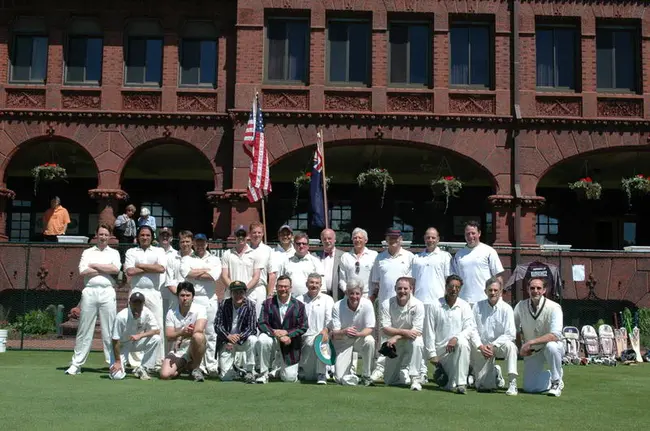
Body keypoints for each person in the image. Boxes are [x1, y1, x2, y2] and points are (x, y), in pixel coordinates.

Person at [65, 224, 121, 375]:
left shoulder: (114, 253)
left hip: (108, 292)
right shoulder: (87, 252)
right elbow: (83, 271)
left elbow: (115, 269)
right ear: (96, 235)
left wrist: (94, 265)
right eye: (100, 234)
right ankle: (76, 364)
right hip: (89, 292)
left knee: (109, 330)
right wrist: (105, 268)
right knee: (84, 329)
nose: (103, 237)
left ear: (109, 236)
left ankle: (112, 364)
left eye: (106, 235)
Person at [369, 228, 414, 382]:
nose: (393, 240)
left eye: (396, 238)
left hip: (403, 305)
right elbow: (375, 283)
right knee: (383, 337)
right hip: (385, 304)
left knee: (405, 337)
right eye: (390, 238)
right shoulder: (379, 258)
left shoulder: (409, 257)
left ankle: (406, 370)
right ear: (386, 239)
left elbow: (411, 283)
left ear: (401, 239)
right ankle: (380, 368)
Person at [423, 275, 477, 394]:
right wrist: (432, 355)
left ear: (460, 289)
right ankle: (466, 374)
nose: (454, 289)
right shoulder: (434, 305)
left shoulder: (465, 306)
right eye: (451, 286)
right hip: (441, 352)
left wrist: (456, 338)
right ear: (446, 287)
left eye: (457, 287)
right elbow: (429, 331)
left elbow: (469, 328)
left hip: (458, 348)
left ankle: (462, 384)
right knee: (448, 386)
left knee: (462, 341)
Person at [514, 278, 565, 397]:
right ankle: (552, 375)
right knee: (529, 388)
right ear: (527, 289)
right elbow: (514, 329)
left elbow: (555, 335)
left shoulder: (554, 307)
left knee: (551, 346)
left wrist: (530, 342)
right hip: (533, 351)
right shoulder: (520, 306)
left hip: (553, 347)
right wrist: (520, 347)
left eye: (538, 288)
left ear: (544, 290)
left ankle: (556, 382)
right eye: (532, 288)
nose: (535, 291)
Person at [180, 233, 221, 376]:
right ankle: (199, 364)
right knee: (196, 333)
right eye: (197, 242)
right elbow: (186, 273)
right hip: (194, 300)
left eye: (202, 242)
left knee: (211, 333)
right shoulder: (186, 259)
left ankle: (211, 365)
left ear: (207, 243)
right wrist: (205, 270)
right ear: (193, 244)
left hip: (209, 299)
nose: (200, 245)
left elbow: (213, 276)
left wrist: (195, 273)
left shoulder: (215, 259)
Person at [123, 225, 167, 363]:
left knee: (157, 325)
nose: (145, 237)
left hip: (154, 292)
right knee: (134, 324)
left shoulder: (159, 251)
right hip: (136, 290)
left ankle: (158, 360)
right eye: (142, 235)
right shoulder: (131, 251)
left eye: (147, 235)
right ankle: (135, 361)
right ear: (138, 237)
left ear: (152, 237)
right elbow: (129, 271)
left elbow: (161, 268)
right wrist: (150, 268)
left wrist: (140, 266)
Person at [256, 275, 308, 384]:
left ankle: (279, 370)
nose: (283, 289)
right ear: (276, 287)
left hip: (290, 342)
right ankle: (263, 373)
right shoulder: (267, 303)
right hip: (272, 337)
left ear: (290, 288)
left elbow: (303, 326)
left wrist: (288, 334)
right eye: (280, 286)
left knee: (289, 378)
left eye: (286, 286)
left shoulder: (299, 305)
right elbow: (261, 323)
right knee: (262, 339)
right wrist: (274, 332)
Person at [471, 277, 518, 395]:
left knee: (511, 346)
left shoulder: (507, 309)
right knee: (484, 387)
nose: (493, 293)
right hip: (483, 349)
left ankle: (512, 383)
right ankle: (496, 373)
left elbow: (510, 333)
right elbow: (472, 330)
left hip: (499, 346)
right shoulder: (477, 307)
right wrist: (481, 346)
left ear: (501, 291)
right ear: (485, 291)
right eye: (490, 290)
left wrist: (493, 345)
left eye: (495, 290)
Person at [379, 277, 425, 391]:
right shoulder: (386, 304)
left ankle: (416, 379)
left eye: (405, 288)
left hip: (410, 341)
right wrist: (403, 333)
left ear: (411, 289)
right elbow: (385, 328)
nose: (402, 291)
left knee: (417, 342)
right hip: (393, 344)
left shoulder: (418, 305)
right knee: (389, 381)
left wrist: (397, 336)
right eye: (399, 288)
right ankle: (404, 371)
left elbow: (416, 331)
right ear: (395, 289)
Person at [108, 292, 162, 380]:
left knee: (156, 339)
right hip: (121, 345)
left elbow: (157, 330)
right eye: (134, 303)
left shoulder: (147, 312)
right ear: (129, 303)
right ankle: (120, 365)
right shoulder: (121, 317)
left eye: (139, 304)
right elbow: (115, 340)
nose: (137, 306)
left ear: (143, 304)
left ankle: (144, 368)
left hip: (136, 342)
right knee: (117, 376)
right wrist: (118, 361)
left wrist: (141, 335)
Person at [160, 282, 208, 382]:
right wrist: (181, 332)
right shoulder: (171, 312)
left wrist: (180, 337)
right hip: (178, 350)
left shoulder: (201, 309)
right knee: (165, 375)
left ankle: (196, 368)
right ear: (177, 296)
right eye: (182, 295)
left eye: (188, 295)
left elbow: (198, 330)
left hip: (193, 347)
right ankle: (185, 366)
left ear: (193, 297)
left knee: (198, 336)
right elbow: (168, 336)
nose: (185, 298)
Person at [331, 280, 376, 386]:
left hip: (360, 338)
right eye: (351, 293)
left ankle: (366, 375)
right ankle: (350, 373)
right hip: (343, 340)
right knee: (339, 378)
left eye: (357, 294)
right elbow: (335, 333)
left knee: (370, 340)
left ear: (361, 294)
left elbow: (370, 328)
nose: (354, 296)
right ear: (346, 293)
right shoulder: (337, 306)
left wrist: (358, 334)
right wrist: (344, 331)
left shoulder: (367, 304)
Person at [452, 221, 504, 307]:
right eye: (467, 234)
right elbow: (456, 279)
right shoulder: (459, 255)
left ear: (479, 233)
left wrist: (500, 297)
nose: (470, 236)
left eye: (473, 233)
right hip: (464, 301)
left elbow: (498, 277)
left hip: (485, 300)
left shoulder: (489, 251)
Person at [214, 281, 258, 382]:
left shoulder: (250, 305)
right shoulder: (223, 304)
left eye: (240, 292)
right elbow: (217, 325)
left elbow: (252, 328)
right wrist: (228, 336)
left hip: (243, 340)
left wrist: (237, 337)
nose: (238, 295)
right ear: (231, 293)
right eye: (235, 292)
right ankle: (237, 370)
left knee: (253, 339)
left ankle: (250, 371)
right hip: (227, 342)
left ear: (244, 293)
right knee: (226, 378)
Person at [298, 273, 334, 384]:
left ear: (321, 285)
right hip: (303, 337)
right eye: (311, 282)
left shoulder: (327, 299)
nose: (314, 285)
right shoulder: (299, 299)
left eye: (317, 283)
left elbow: (330, 320)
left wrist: (326, 330)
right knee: (309, 377)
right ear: (306, 284)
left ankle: (322, 374)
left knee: (319, 340)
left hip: (322, 335)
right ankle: (303, 369)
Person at [220, 225, 263, 314]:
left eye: (243, 235)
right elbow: (224, 275)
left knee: (249, 324)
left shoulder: (255, 254)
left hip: (249, 295)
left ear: (247, 236)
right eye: (238, 235)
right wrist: (234, 290)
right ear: (234, 236)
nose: (240, 237)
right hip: (230, 296)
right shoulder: (227, 254)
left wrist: (243, 290)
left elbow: (256, 277)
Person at [412, 227, 452, 304]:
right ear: (424, 239)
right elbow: (412, 282)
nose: (430, 240)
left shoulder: (445, 256)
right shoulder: (416, 258)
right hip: (419, 301)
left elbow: (449, 280)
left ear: (438, 239)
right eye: (428, 237)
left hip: (439, 301)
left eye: (433, 238)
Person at [278, 232, 324, 298]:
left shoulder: (316, 262)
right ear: (294, 245)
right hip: (290, 301)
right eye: (298, 243)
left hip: (309, 301)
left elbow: (322, 286)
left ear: (308, 246)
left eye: (304, 243)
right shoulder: (286, 261)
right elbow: (280, 281)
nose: (301, 246)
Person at [339, 227, 377, 298]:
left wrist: (373, 296)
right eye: (355, 238)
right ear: (352, 240)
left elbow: (377, 279)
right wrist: (347, 293)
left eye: (360, 238)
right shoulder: (345, 257)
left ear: (366, 240)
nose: (357, 240)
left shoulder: (374, 255)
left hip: (367, 296)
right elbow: (342, 280)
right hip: (350, 296)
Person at [248, 221, 277, 305]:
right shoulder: (245, 249)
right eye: (254, 232)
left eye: (259, 232)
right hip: (245, 289)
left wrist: (270, 294)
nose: (257, 235)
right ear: (250, 234)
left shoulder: (268, 250)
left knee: (259, 317)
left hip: (259, 289)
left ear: (263, 234)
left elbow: (272, 274)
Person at [316, 228, 345, 301]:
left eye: (329, 238)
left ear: (334, 240)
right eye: (324, 239)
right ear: (321, 241)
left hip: (338, 296)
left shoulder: (343, 256)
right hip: (320, 296)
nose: (327, 241)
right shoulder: (315, 256)